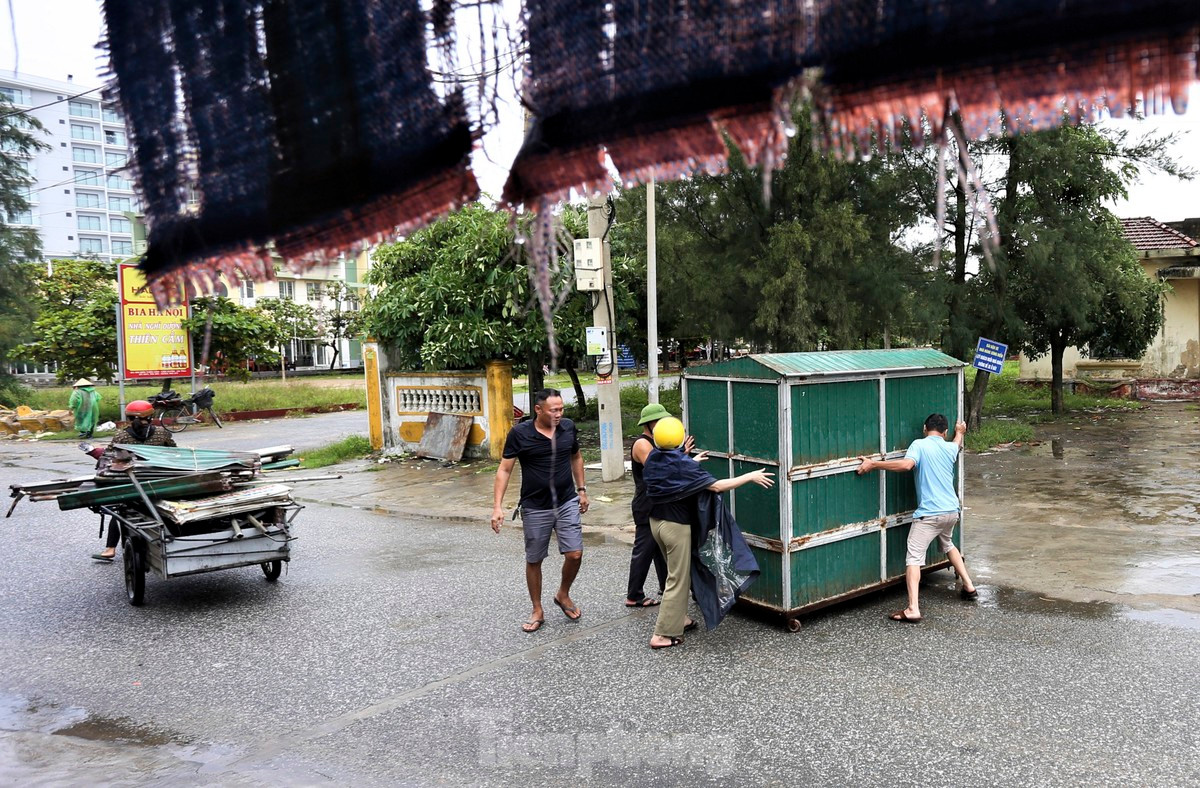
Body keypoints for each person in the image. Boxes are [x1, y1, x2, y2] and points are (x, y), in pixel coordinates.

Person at [643, 416, 774, 650]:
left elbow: (673, 467)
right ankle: (663, 634)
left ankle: (678, 618)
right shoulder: (681, 464)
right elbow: (716, 486)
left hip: (656, 522)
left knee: (676, 572)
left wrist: (691, 459)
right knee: (678, 578)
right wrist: (750, 476)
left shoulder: (653, 456)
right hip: (675, 526)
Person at [856, 413, 977, 623]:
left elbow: (906, 465)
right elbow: (957, 443)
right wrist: (960, 433)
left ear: (924, 428)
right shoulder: (950, 448)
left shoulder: (919, 445)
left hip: (930, 514)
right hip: (951, 511)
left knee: (913, 558)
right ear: (945, 432)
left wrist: (874, 464)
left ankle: (913, 609)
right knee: (948, 543)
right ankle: (969, 586)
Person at [491, 389, 589, 633]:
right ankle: (537, 608)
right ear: (538, 410)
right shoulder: (520, 434)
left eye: (561, 409)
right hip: (535, 506)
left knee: (575, 553)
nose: (558, 414)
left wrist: (582, 489)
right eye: (553, 410)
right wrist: (497, 507)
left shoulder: (567, 428)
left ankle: (563, 594)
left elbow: (576, 457)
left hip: (566, 501)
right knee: (535, 559)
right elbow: (504, 470)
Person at [90, 399, 177, 562]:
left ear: (129, 418)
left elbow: (109, 459)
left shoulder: (121, 435)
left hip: (131, 482)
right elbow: (174, 454)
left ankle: (110, 549)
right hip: (159, 481)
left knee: (121, 510)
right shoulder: (161, 433)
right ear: (151, 417)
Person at [624, 403, 672, 607]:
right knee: (644, 549)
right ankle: (634, 595)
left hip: (657, 502)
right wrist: (682, 456)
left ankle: (665, 585)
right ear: (649, 423)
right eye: (658, 421)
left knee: (659, 548)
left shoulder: (659, 442)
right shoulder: (643, 444)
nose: (662, 424)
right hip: (646, 503)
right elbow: (658, 469)